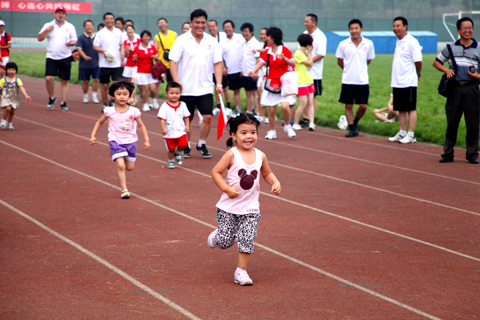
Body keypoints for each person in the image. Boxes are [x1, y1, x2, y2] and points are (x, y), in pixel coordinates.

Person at [208, 113, 281, 286]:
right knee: (225, 241)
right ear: (233, 135)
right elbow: (215, 172)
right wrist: (226, 188)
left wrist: (275, 182)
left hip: (250, 209)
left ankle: (241, 272)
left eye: (253, 132)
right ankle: (216, 237)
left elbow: (267, 173)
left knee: (246, 238)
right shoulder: (231, 154)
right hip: (228, 208)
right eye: (243, 132)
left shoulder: (260, 155)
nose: (249, 136)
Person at [169, 9, 224, 159]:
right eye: (197, 22)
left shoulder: (212, 42)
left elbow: (218, 63)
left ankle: (201, 143)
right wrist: (176, 82)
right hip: (185, 89)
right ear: (191, 23)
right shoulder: (181, 40)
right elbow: (173, 61)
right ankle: (186, 145)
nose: (200, 25)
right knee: (187, 119)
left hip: (205, 87)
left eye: (203, 23)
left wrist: (219, 83)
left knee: (208, 117)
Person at [90, 81, 150, 199]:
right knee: (121, 166)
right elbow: (100, 122)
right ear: (113, 96)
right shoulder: (109, 111)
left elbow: (141, 126)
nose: (122, 97)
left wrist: (146, 140)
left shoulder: (133, 111)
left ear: (129, 96)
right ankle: (124, 190)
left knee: (129, 168)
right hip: (115, 141)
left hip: (130, 142)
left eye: (125, 94)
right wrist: (93, 135)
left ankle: (124, 181)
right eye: (119, 94)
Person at [433, 17, 480, 164]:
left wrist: (478, 76)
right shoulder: (450, 47)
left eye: (470, 28)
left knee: (473, 123)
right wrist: (446, 69)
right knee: (452, 122)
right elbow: (436, 62)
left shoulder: (479, 48)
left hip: (472, 88)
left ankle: (472, 154)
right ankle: (448, 153)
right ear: (458, 30)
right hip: (455, 89)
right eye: (464, 28)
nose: (467, 30)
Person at [249, 27, 296, 139]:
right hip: (271, 83)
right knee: (271, 109)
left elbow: (292, 64)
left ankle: (288, 126)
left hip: (283, 83)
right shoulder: (268, 50)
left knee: (285, 106)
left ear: (274, 38)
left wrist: (285, 59)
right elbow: (261, 63)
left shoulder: (284, 49)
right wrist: (254, 71)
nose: (266, 38)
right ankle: (272, 131)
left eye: (268, 36)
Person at [335, 19, 375, 138]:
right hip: (348, 80)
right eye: (351, 29)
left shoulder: (368, 44)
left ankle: (355, 122)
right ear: (349, 30)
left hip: (362, 80)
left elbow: (368, 60)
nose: (354, 31)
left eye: (356, 28)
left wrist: (359, 69)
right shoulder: (343, 44)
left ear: (361, 29)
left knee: (363, 106)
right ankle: (352, 128)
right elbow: (339, 61)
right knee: (348, 106)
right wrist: (348, 69)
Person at [388, 17, 422, 144]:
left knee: (410, 108)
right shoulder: (399, 41)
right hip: (397, 81)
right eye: (394, 26)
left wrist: (418, 74)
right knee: (401, 108)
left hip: (409, 81)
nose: (396, 28)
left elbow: (418, 61)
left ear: (405, 26)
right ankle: (402, 133)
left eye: (398, 26)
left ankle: (411, 135)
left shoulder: (411, 42)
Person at [37, 6, 77, 111]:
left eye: (63, 13)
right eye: (58, 13)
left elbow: (75, 41)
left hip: (65, 56)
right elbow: (40, 38)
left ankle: (64, 102)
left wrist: (70, 43)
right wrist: (46, 30)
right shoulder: (48, 25)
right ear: (55, 14)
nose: (60, 15)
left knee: (64, 80)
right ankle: (52, 97)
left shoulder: (70, 26)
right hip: (52, 56)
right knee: (49, 78)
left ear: (65, 15)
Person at [93, 12, 125, 110]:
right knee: (105, 85)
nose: (110, 20)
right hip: (104, 64)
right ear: (104, 21)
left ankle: (113, 101)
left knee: (116, 84)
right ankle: (105, 104)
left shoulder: (118, 32)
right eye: (107, 19)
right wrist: (104, 52)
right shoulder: (100, 33)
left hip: (116, 63)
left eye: (111, 18)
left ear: (113, 20)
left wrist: (122, 52)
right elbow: (95, 46)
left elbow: (122, 44)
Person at [157, 82, 191, 169]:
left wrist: (187, 126)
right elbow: (162, 119)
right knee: (170, 149)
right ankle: (171, 161)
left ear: (180, 94)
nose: (174, 95)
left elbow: (186, 116)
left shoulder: (183, 105)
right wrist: (163, 129)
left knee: (184, 144)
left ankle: (178, 152)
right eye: (172, 93)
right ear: (166, 94)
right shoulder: (164, 106)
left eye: (177, 93)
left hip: (181, 131)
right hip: (169, 133)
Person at [304, 13, 326, 124]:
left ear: (314, 23)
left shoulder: (320, 36)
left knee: (313, 96)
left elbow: (321, 54)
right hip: (303, 71)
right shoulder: (304, 34)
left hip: (314, 72)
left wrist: (309, 61)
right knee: (303, 94)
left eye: (307, 22)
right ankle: (304, 118)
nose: (305, 24)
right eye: (304, 21)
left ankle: (310, 118)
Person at [292, 34, 315, 131]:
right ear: (308, 44)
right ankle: (295, 123)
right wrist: (310, 53)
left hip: (309, 81)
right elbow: (310, 64)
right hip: (301, 82)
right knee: (303, 104)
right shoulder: (298, 54)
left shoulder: (305, 53)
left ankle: (311, 123)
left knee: (310, 103)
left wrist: (308, 53)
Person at [222, 20, 245, 113]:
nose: (227, 29)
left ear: (233, 28)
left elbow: (246, 53)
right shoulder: (222, 41)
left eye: (229, 27)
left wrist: (244, 67)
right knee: (234, 90)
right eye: (225, 27)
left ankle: (251, 110)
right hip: (230, 70)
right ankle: (236, 108)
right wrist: (223, 67)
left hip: (241, 70)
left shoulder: (240, 38)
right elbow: (220, 56)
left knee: (249, 91)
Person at [0, 62, 31, 130]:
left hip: (14, 97)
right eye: (9, 69)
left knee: (12, 111)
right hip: (6, 96)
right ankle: (4, 120)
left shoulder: (17, 80)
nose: (11, 71)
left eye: (13, 70)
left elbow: (22, 88)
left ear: (16, 71)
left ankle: (10, 123)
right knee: (8, 108)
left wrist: (26, 95)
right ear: (6, 71)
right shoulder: (3, 80)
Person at [133, 30, 158, 112]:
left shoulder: (152, 47)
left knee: (153, 88)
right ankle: (145, 104)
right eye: (145, 36)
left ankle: (153, 100)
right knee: (145, 88)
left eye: (148, 36)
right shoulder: (137, 48)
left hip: (151, 71)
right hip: (141, 71)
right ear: (142, 38)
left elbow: (157, 60)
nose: (146, 38)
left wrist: (155, 58)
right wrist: (135, 58)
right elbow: (134, 61)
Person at [207, 19, 229, 114]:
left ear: (217, 27)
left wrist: (223, 67)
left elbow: (222, 54)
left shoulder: (223, 37)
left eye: (213, 26)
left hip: (220, 66)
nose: (211, 28)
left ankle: (228, 107)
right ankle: (218, 106)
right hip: (210, 68)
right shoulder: (206, 38)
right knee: (215, 86)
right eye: (210, 27)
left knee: (224, 87)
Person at [76, 19, 100, 104]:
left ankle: (94, 95)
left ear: (93, 27)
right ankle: (85, 95)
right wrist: (85, 57)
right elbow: (79, 49)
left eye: (91, 25)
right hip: (84, 63)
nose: (89, 27)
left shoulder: (97, 37)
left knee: (96, 79)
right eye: (87, 25)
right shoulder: (81, 37)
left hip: (96, 62)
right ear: (84, 27)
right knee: (85, 81)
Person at [240, 22, 262, 114]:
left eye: (246, 31)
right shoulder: (243, 43)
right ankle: (249, 111)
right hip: (245, 73)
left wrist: (256, 72)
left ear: (251, 32)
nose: (244, 33)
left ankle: (257, 112)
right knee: (248, 93)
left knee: (255, 93)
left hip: (252, 72)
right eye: (243, 31)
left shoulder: (255, 43)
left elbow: (258, 59)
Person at [154, 18, 177, 100]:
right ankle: (154, 100)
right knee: (157, 82)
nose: (161, 24)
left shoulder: (174, 34)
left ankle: (170, 99)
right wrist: (155, 57)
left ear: (167, 24)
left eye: (163, 22)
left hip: (172, 63)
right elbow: (155, 50)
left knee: (171, 82)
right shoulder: (157, 37)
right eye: (159, 23)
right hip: (161, 64)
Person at [122, 24, 140, 104]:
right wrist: (126, 51)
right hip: (129, 63)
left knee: (133, 82)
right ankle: (134, 99)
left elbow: (139, 50)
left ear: (134, 31)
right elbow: (125, 54)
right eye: (128, 30)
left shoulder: (138, 41)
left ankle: (130, 98)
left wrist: (132, 49)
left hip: (136, 63)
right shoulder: (125, 42)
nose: (130, 31)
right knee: (129, 83)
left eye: (131, 29)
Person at [255, 28, 269, 123]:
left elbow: (267, 52)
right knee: (260, 93)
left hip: (267, 72)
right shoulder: (263, 45)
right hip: (262, 72)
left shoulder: (269, 47)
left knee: (265, 93)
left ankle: (268, 115)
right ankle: (261, 114)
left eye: (264, 34)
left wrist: (258, 50)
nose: (262, 36)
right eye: (261, 34)